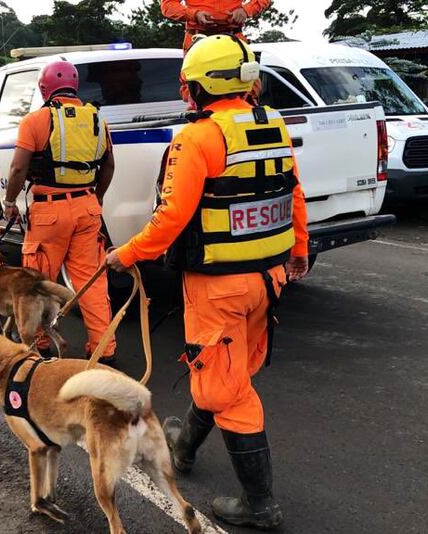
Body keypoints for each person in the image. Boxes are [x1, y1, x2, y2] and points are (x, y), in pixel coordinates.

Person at [105, 35, 309, 529]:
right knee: (224, 371)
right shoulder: (271, 124)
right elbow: (293, 192)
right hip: (269, 277)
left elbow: (171, 217)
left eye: (187, 84)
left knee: (229, 388)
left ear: (200, 87)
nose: (183, 92)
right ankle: (184, 447)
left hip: (219, 286)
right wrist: (299, 249)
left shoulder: (197, 138)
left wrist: (125, 254)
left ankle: (259, 503)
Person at [3, 60, 117, 363]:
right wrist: (97, 198)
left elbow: (18, 168)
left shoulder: (35, 120)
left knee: (38, 281)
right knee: (91, 283)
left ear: (44, 89)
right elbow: (108, 165)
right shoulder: (97, 120)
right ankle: (104, 349)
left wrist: (10, 202)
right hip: (87, 207)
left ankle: (39, 345)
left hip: (48, 212)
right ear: (74, 86)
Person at [161, 0, 271, 52]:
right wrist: (194, 14)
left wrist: (246, 10)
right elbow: (167, 5)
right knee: (194, 84)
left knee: (246, 81)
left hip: (233, 39)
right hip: (197, 40)